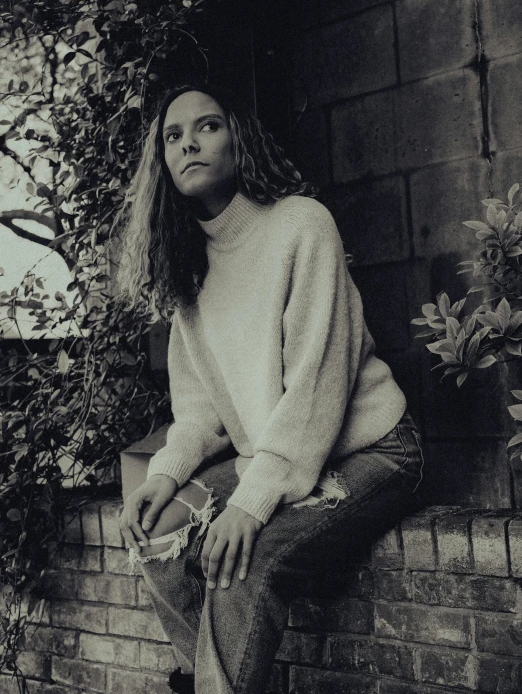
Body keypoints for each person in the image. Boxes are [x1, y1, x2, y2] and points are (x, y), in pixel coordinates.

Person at [117, 82, 424, 694]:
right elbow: (201, 408)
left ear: (239, 140)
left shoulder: (300, 226)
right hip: (278, 457)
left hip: (373, 450)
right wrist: (166, 473)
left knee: (241, 561)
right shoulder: (189, 266)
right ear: (162, 162)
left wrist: (250, 505)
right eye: (172, 137)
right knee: (159, 536)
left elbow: (314, 390)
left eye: (207, 127)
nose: (189, 144)